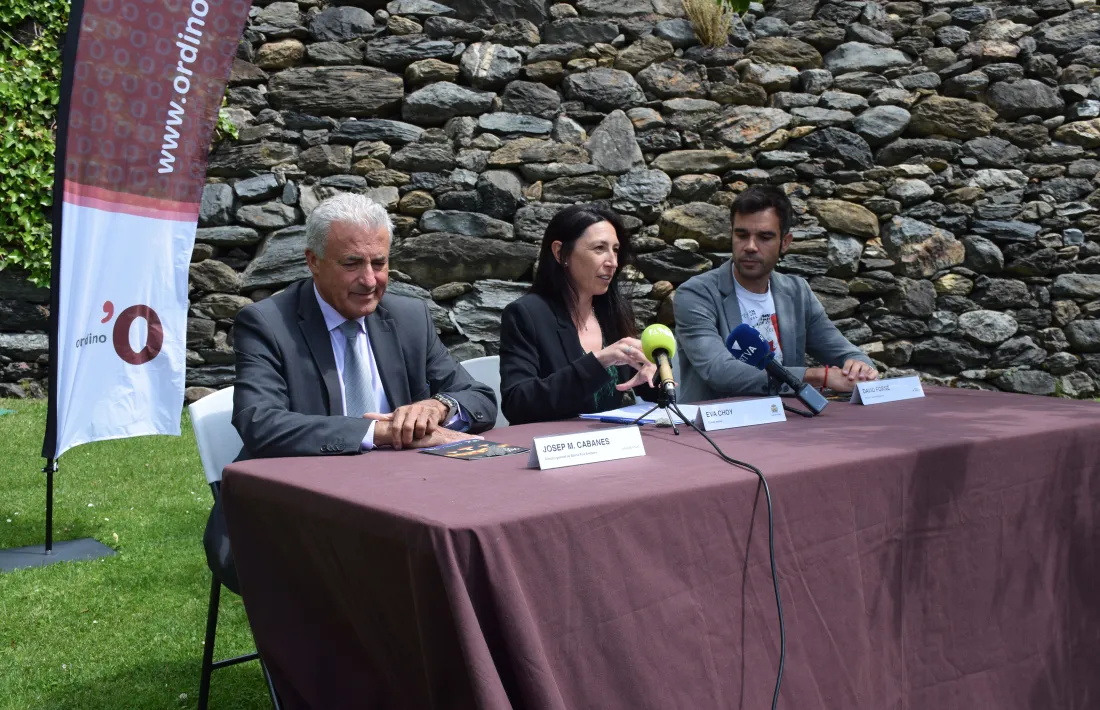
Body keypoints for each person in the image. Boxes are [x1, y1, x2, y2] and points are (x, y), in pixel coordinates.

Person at [231, 192, 498, 458]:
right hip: (300, 488)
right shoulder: (268, 324)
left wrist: (438, 407)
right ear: (313, 261)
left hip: (398, 482)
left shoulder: (409, 318)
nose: (369, 280)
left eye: (379, 263)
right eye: (352, 263)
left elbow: (480, 398)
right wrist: (383, 431)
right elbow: (259, 423)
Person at [674, 186, 878, 402]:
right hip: (716, 428)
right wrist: (819, 376)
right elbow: (720, 372)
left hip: (786, 423)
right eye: (742, 235)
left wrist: (859, 368)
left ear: (785, 243)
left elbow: (846, 353)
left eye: (765, 237)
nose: (750, 246)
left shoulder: (797, 292)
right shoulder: (695, 294)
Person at [498, 204, 657, 425]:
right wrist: (598, 362)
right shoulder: (526, 314)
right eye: (600, 248)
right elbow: (518, 404)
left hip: (614, 446)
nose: (613, 262)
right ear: (560, 253)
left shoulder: (612, 310)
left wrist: (655, 372)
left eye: (616, 250)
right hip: (556, 448)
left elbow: (656, 397)